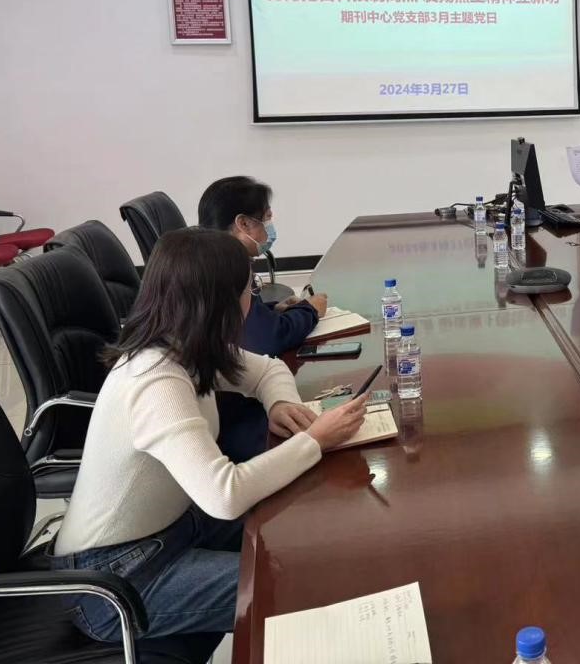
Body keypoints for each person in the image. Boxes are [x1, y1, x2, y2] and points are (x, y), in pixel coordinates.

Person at [49, 228, 367, 642]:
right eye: (249, 289)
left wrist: (280, 404)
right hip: (113, 581)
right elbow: (224, 495)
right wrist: (315, 441)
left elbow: (268, 369)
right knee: (296, 581)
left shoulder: (185, 345)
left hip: (175, 527)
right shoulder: (155, 379)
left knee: (302, 518)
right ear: (222, 303)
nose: (253, 299)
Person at [198, 175, 327, 357]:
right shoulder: (227, 269)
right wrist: (311, 310)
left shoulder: (209, 257)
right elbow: (269, 340)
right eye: (267, 218)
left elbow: (245, 321)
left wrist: (272, 310)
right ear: (243, 224)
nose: (270, 227)